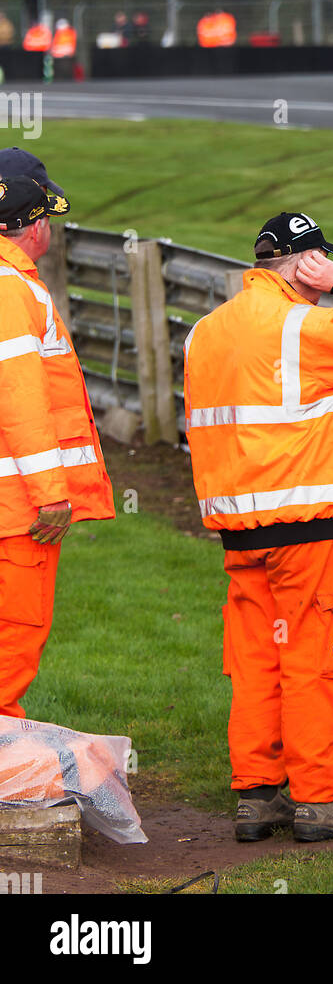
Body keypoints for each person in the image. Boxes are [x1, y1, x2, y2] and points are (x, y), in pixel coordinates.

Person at [183, 210, 333, 843]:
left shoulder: (206, 331)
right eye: (318, 265)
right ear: (303, 264)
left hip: (241, 530)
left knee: (257, 662)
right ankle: (317, 802)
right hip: (309, 527)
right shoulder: (306, 326)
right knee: (316, 662)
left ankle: (257, 798)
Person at [0, 176, 115, 716]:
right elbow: (20, 396)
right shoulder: (11, 288)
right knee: (14, 638)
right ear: (34, 228)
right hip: (16, 508)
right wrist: (52, 493)